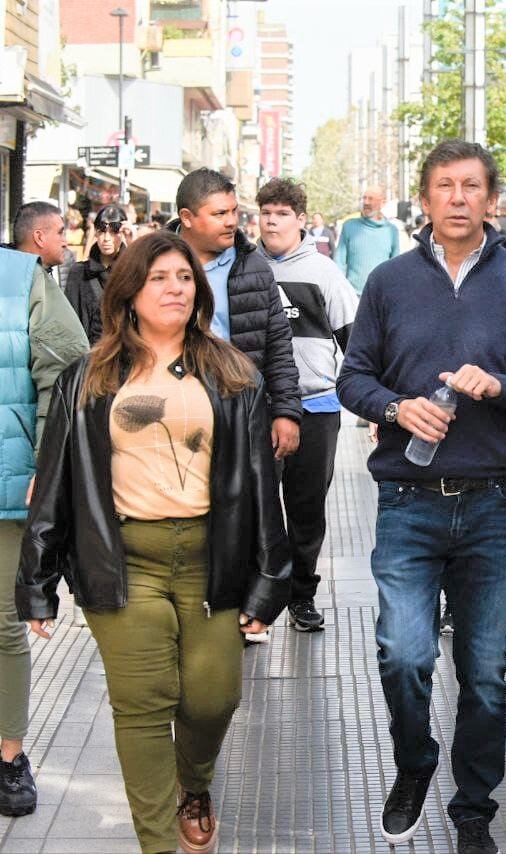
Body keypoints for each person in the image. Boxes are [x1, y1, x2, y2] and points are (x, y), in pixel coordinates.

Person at [16, 231, 291, 853]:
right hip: (121, 561)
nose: (175, 288)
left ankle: (193, 784)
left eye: (185, 277)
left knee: (214, 694)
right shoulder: (87, 376)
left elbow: (258, 485)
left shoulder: (231, 372)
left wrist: (271, 578)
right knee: (144, 701)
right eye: (159, 277)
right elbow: (58, 477)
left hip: (211, 559)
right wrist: (36, 584)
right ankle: (159, 843)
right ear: (129, 291)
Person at [337, 139, 506, 854]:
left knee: (486, 672)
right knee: (404, 653)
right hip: (409, 500)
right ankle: (414, 763)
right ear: (426, 199)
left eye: (472, 186)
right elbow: (352, 380)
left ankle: (474, 806)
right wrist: (398, 409)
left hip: (494, 504)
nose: (459, 197)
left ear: (491, 198)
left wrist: (499, 387)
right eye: (445, 185)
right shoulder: (389, 282)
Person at [0, 242, 89, 819]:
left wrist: (44, 457)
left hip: (6, 479)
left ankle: (9, 756)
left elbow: (67, 371)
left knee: (4, 626)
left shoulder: (21, 277)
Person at [257, 178, 360, 633]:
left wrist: (375, 406)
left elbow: (354, 341)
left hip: (317, 408)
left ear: (301, 220)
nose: (272, 221)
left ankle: (302, 598)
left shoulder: (325, 274)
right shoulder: (245, 269)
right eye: (266, 212)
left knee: (306, 510)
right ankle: (256, 602)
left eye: (282, 213)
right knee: (256, 509)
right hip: (258, 411)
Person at [171, 168, 301, 462]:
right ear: (187, 217)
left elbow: (278, 345)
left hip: (244, 417)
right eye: (219, 214)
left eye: (234, 211)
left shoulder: (253, 267)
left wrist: (285, 412)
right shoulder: (151, 266)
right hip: (176, 419)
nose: (231, 222)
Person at [63, 204, 130, 344]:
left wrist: (133, 242)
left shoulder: (132, 272)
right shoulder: (78, 273)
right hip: (90, 357)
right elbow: (70, 324)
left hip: (127, 354)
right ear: (95, 232)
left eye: (114, 231)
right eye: (101, 231)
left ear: (123, 233)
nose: (106, 238)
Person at [336, 186, 400, 294]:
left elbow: (396, 267)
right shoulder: (349, 226)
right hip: (353, 297)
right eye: (364, 198)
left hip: (381, 296)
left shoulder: (392, 231)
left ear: (382, 203)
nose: (366, 202)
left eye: (370, 199)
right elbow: (339, 262)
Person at [11, 202, 67, 273]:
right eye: (60, 233)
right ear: (39, 238)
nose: (65, 244)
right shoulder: (20, 280)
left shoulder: (14, 273)